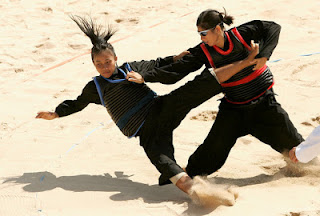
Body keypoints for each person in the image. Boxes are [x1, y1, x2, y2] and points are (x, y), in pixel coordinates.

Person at [36, 15, 259, 202]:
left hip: (160, 108)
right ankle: (204, 194)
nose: (104, 67)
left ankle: (245, 63)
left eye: (107, 61)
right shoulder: (94, 87)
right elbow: (78, 103)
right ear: (93, 64)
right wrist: (56, 113)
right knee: (164, 163)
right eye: (99, 63)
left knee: (193, 89)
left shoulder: (129, 69)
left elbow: (155, 64)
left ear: (115, 58)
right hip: (147, 133)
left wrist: (174, 58)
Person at [137, 8, 304, 178]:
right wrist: (145, 76)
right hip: (233, 110)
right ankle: (190, 176)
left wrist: (264, 55)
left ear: (217, 29)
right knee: (207, 156)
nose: (201, 38)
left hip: (265, 104)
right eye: (199, 34)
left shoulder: (241, 34)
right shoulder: (204, 51)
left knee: (300, 152)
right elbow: (177, 70)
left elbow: (273, 27)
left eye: (203, 33)